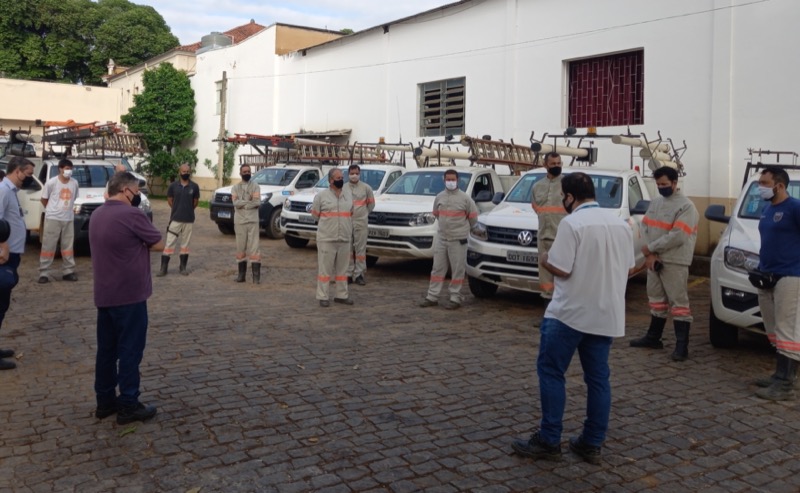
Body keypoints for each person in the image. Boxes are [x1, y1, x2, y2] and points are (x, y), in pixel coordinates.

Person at [511, 172, 635, 465]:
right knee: (598, 380)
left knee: (552, 372)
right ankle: (591, 442)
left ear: (569, 197)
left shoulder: (572, 223)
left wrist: (544, 259)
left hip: (568, 313)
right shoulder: (621, 225)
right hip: (605, 313)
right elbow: (629, 268)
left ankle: (549, 439)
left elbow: (561, 268)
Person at [90, 172, 164, 424]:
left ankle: (105, 401)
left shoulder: (97, 214)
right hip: (129, 296)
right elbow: (158, 243)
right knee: (130, 351)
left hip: (105, 295)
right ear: (124, 191)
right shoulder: (132, 214)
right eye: (136, 191)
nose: (138, 196)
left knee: (107, 352)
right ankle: (129, 404)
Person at [629, 166, 698, 361]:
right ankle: (653, 337)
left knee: (679, 302)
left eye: (664, 184)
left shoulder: (687, 207)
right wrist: (651, 254)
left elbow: (678, 236)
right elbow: (646, 226)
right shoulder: (656, 203)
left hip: (675, 260)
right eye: (658, 184)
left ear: (675, 183)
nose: (661, 187)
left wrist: (652, 249)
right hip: (655, 259)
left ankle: (681, 347)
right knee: (656, 299)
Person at [752, 167, 800, 401]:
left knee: (786, 328)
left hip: (791, 276)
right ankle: (780, 374)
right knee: (772, 327)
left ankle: (785, 383)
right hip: (767, 275)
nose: (760, 186)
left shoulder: (795, 208)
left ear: (779, 185)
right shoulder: (768, 209)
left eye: (764, 182)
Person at [419, 168, 479, 310]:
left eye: (453, 179)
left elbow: (473, 220)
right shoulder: (439, 197)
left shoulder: (465, 199)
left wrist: (461, 230)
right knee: (437, 269)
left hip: (458, 239)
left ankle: (455, 298)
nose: (450, 182)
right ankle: (432, 296)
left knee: (457, 270)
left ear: (457, 181)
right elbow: (437, 214)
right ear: (444, 180)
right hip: (442, 238)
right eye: (448, 179)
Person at [0, 157, 34, 371]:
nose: (29, 178)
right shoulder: (3, 191)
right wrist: (2, 246)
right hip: (4, 256)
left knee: (2, 305)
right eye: (29, 174)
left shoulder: (11, 191)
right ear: (18, 171)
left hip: (11, 255)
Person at [312, 168, 354, 307]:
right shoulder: (321, 196)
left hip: (344, 238)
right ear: (330, 181)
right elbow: (315, 215)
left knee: (343, 270)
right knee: (325, 270)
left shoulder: (348, 195)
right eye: (338, 178)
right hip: (327, 238)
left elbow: (351, 213)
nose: (341, 179)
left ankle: (341, 295)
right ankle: (323, 296)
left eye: (342, 177)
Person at [531, 152, 567, 306]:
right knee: (545, 276)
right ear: (545, 165)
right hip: (543, 237)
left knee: (563, 275)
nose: (556, 166)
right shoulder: (537, 186)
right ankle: (547, 307)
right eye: (553, 164)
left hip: (562, 238)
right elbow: (536, 207)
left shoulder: (568, 184)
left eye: (558, 163)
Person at [38, 159, 79, 283]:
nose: (68, 171)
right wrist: (52, 210)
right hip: (53, 218)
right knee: (48, 245)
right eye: (66, 168)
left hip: (68, 218)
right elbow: (44, 199)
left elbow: (74, 198)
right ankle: (44, 272)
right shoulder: (51, 183)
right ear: (60, 169)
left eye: (70, 168)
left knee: (68, 246)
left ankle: (68, 271)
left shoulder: (74, 183)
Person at [157, 164, 200, 277]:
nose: (185, 173)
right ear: (179, 172)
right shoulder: (173, 186)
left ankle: (183, 267)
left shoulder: (194, 187)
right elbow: (170, 200)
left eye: (187, 171)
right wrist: (177, 209)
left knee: (185, 245)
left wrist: (187, 210)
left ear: (190, 172)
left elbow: (195, 202)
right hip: (175, 219)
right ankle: (163, 268)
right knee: (169, 243)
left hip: (188, 220)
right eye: (183, 171)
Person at [346, 164, 375, 286]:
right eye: (352, 173)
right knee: (347, 249)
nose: (354, 175)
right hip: (346, 222)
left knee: (360, 249)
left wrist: (363, 214)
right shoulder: (343, 188)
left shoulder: (366, 188)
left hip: (361, 222)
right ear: (348, 174)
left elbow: (371, 205)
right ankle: (348, 274)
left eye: (356, 173)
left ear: (360, 174)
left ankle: (359, 274)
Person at [231, 164, 261, 284]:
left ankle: (256, 277)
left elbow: (257, 202)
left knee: (255, 248)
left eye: (248, 171)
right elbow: (235, 203)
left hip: (253, 221)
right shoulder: (235, 188)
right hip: (240, 221)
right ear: (240, 173)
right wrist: (248, 202)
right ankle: (241, 275)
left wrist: (243, 203)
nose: (247, 173)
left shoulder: (256, 186)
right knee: (240, 248)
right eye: (244, 171)